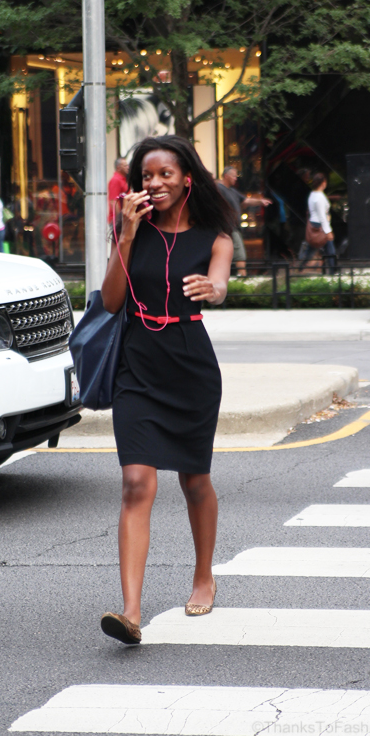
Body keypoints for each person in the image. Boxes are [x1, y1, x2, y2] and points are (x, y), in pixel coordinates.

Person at [100, 135, 234, 645]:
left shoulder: (213, 234)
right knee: (136, 482)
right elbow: (113, 301)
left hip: (190, 367)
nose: (154, 183)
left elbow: (219, 285)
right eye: (146, 176)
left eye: (164, 174)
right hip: (137, 366)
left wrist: (213, 289)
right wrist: (127, 235)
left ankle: (204, 575)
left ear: (186, 179)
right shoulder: (132, 228)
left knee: (194, 481)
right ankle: (130, 611)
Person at [217, 166, 271, 276]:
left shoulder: (232, 191)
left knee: (228, 255)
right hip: (228, 227)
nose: (236, 179)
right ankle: (242, 279)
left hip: (233, 227)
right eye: (234, 176)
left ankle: (236, 279)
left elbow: (246, 201)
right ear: (226, 176)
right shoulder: (219, 188)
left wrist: (260, 201)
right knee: (240, 255)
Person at [299, 172, 336, 274]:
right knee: (330, 251)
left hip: (314, 225)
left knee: (311, 249)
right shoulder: (319, 196)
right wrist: (328, 231)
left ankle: (299, 268)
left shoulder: (312, 194)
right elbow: (322, 216)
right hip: (320, 226)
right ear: (323, 183)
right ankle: (333, 273)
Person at [107, 157, 129, 227]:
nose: (128, 167)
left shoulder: (124, 179)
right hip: (117, 221)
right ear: (118, 167)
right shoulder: (115, 180)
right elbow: (113, 201)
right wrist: (119, 220)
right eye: (125, 165)